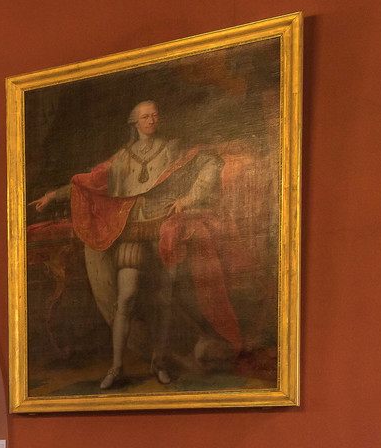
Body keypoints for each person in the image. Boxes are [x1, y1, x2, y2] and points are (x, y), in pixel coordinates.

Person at [31, 100, 237, 389]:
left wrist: (188, 199)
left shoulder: (171, 148)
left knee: (163, 301)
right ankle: (116, 367)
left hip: (163, 229)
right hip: (131, 232)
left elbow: (211, 163)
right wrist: (53, 195)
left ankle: (159, 363)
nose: (151, 120)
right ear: (134, 123)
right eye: (145, 116)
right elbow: (90, 182)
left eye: (155, 115)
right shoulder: (123, 157)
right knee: (125, 298)